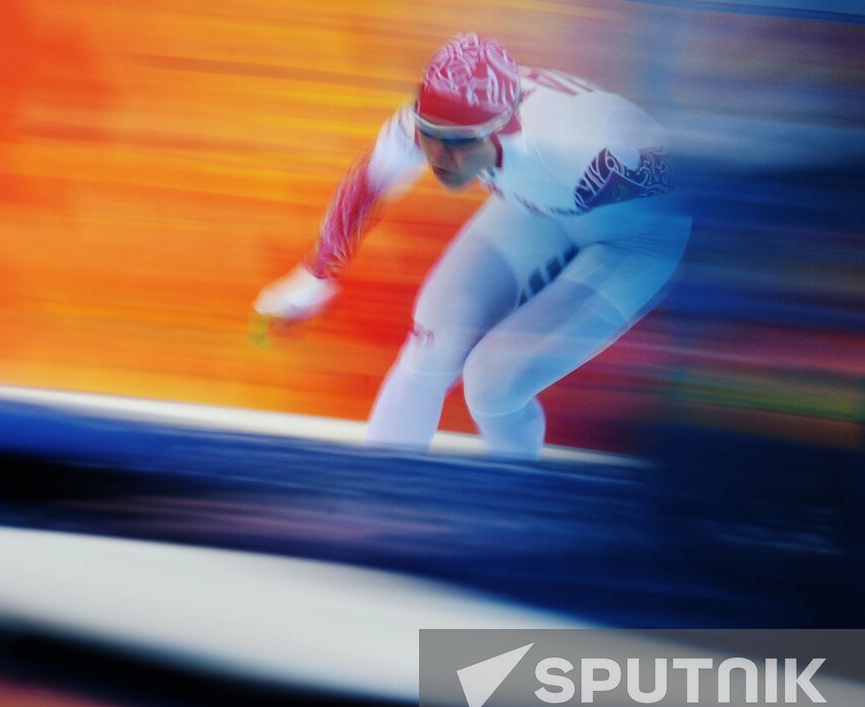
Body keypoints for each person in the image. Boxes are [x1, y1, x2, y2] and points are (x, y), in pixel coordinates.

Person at [254, 33, 690, 458]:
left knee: (493, 385)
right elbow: (370, 183)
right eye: (430, 134)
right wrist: (314, 275)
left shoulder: (583, 149)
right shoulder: (419, 124)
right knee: (430, 345)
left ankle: (523, 510)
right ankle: (378, 502)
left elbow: (697, 190)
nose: (439, 158)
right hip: (542, 207)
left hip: (635, 243)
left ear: (507, 128)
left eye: (460, 143)